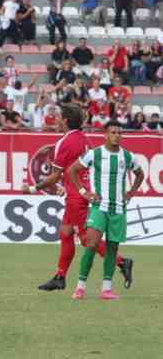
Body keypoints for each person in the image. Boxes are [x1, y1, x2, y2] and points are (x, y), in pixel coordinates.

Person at [21, 105, 133, 291]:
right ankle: (60, 276)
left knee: (87, 239)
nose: (55, 120)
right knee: (65, 233)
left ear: (65, 121)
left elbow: (55, 176)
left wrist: (32, 188)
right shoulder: (83, 138)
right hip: (82, 192)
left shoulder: (64, 143)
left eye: (58, 117)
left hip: (78, 197)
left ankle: (122, 262)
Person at [69, 121, 144, 300]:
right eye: (113, 132)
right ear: (105, 135)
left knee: (112, 248)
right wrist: (84, 192)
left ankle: (107, 289)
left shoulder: (128, 157)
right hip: (98, 207)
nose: (117, 135)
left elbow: (140, 174)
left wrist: (131, 193)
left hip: (118, 208)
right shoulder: (94, 154)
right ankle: (80, 287)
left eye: (119, 132)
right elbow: (72, 171)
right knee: (92, 243)